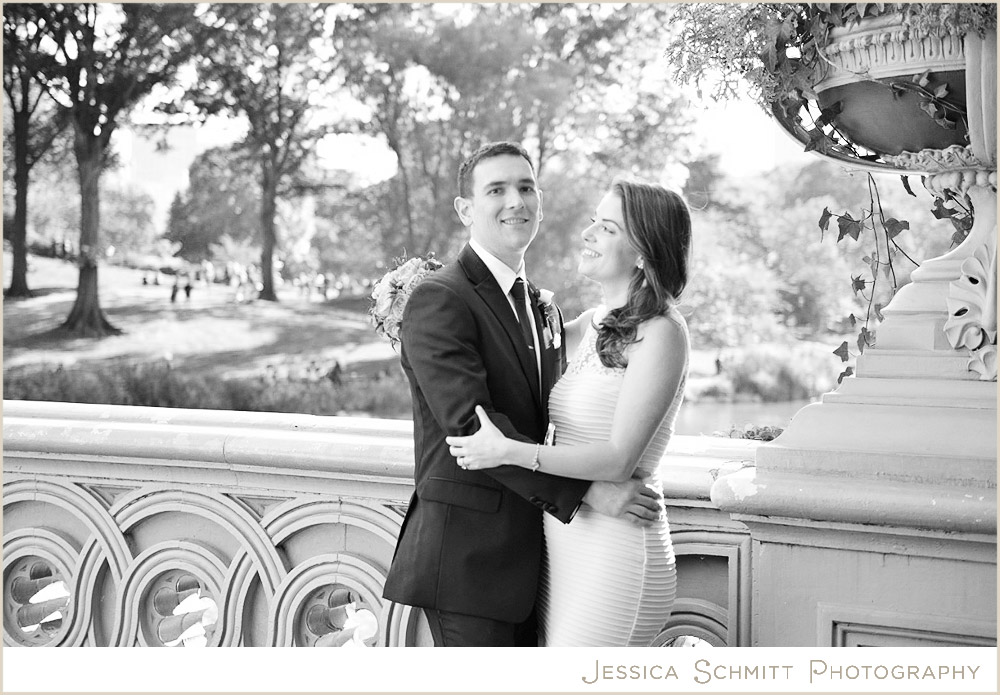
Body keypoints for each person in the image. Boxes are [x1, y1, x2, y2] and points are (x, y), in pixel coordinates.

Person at [382, 142, 664, 647]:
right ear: (466, 210)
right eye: (496, 190)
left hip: (541, 559)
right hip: (469, 562)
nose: (516, 200)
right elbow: (474, 429)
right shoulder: (440, 298)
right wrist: (587, 491)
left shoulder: (539, 307)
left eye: (526, 187)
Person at [446, 177, 692, 646]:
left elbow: (620, 459)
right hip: (567, 540)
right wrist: (423, 300)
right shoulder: (588, 326)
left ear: (643, 251)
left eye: (608, 227)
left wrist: (512, 451)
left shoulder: (661, 332)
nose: (588, 234)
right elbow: (499, 347)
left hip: (617, 547)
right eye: (593, 221)